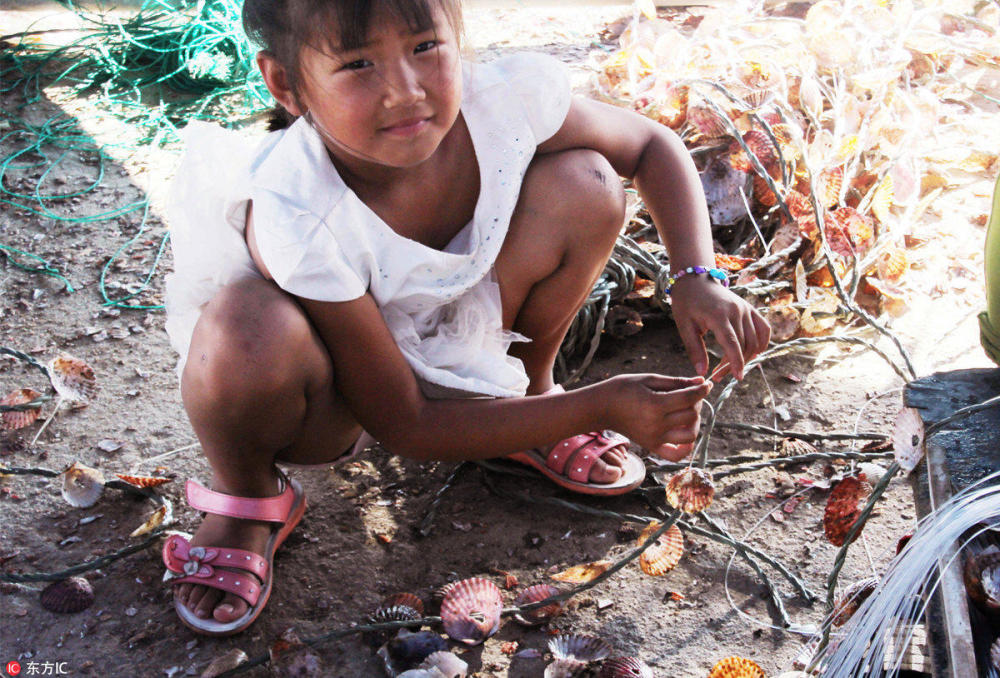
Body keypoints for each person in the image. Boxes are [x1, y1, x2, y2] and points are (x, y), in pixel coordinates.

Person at [160, 0, 770, 636]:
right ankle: (250, 492)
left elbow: (648, 144)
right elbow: (407, 425)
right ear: (287, 84)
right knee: (244, 327)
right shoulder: (295, 208)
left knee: (589, 181)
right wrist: (600, 406)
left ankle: (525, 398)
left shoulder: (499, 101)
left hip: (463, 320)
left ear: (459, 37)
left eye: (425, 47)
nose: (406, 89)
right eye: (359, 63)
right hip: (339, 393)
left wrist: (696, 278)